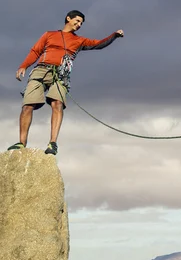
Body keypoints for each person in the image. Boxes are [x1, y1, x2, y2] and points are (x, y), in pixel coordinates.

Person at [8, 10, 124, 155]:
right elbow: (36, 51)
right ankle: (21, 143)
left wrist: (114, 35)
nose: (79, 24)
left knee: (57, 104)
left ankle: (52, 143)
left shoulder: (80, 40)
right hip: (41, 70)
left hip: (61, 74)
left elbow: (98, 44)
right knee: (27, 105)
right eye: (77, 21)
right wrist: (24, 66)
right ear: (68, 19)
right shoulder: (49, 34)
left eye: (81, 23)